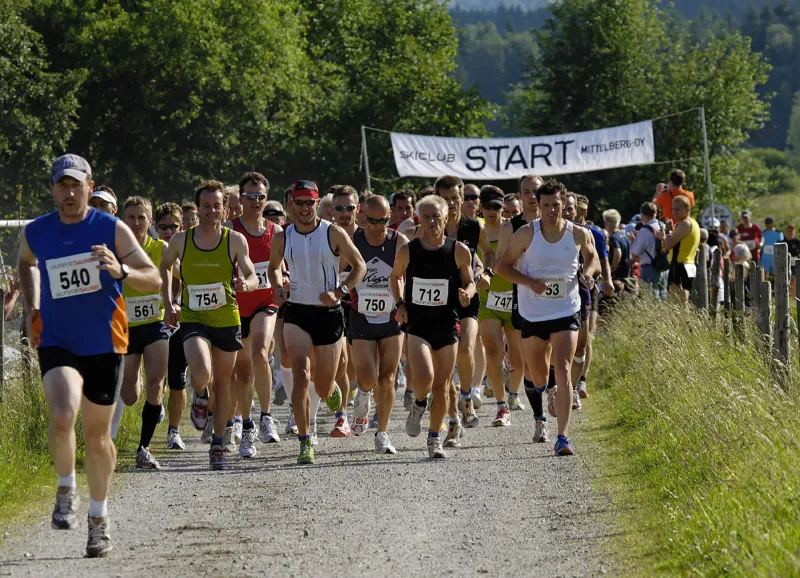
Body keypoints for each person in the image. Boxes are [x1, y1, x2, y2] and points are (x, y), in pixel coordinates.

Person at [18, 154, 161, 557]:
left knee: (97, 438)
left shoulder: (111, 229)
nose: (68, 192)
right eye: (61, 185)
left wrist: (121, 271)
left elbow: (152, 274)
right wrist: (33, 305)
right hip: (58, 339)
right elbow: (26, 264)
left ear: (88, 185)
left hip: (105, 341)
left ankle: (99, 520)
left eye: (75, 185)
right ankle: (66, 487)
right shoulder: (36, 232)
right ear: (52, 189)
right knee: (63, 413)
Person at [161, 180, 259, 470]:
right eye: (206, 206)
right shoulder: (181, 240)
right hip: (193, 317)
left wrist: (247, 283)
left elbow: (252, 273)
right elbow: (166, 266)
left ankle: (218, 444)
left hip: (226, 318)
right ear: (198, 209)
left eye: (217, 205)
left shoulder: (234, 240)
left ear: (225, 209)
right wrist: (169, 302)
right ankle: (200, 396)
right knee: (202, 373)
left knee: (222, 382)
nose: (212, 210)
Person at [497, 179, 598, 456]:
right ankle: (547, 390)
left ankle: (562, 437)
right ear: (538, 207)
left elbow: (593, 258)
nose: (552, 210)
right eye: (546, 206)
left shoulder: (578, 233)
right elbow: (502, 268)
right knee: (539, 375)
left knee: (563, 367)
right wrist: (529, 282)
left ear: (564, 204)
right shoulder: (526, 234)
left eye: (557, 205)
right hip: (533, 312)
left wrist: (587, 273)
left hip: (566, 308)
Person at [268, 180, 366, 465]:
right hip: (297, 311)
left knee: (323, 387)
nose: (304, 208)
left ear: (316, 203)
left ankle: (333, 393)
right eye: (298, 203)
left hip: (328, 315)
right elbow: (274, 268)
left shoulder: (332, 233)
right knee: (300, 374)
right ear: (291, 205)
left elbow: (359, 265)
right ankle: (305, 440)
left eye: (309, 203)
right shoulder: (282, 237)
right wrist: (278, 288)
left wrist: (340, 291)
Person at [392, 195, 475, 458]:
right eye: (425, 217)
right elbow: (395, 277)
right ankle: (418, 404)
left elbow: (470, 281)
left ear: (446, 218)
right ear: (419, 220)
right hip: (418, 325)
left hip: (446, 325)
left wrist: (468, 294)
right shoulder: (408, 250)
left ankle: (434, 439)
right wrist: (399, 305)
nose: (431, 221)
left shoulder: (458, 250)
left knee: (441, 386)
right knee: (425, 378)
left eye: (436, 216)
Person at [228, 172, 282, 457]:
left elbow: (283, 267)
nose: (256, 201)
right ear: (241, 197)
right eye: (250, 196)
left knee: (261, 353)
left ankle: (266, 417)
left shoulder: (276, 231)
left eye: (261, 196)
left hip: (265, 302)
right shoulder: (230, 229)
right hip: (236, 307)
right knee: (243, 372)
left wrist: (284, 280)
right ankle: (245, 424)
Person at [349, 196, 407, 453]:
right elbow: (339, 273)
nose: (379, 226)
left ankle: (382, 433)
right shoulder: (353, 241)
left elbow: (411, 273)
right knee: (368, 377)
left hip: (392, 317)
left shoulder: (399, 242)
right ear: (362, 217)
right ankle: (363, 395)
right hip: (361, 317)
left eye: (384, 220)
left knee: (388, 378)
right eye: (373, 221)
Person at [437, 176, 494, 433]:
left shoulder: (473, 226)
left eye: (455, 198)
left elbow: (489, 252)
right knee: (446, 361)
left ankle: (467, 395)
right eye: (445, 199)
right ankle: (451, 414)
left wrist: (486, 272)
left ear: (463, 198)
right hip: (438, 301)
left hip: (467, 294)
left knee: (467, 348)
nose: (450, 203)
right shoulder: (429, 226)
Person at [119, 197, 171, 470]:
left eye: (141, 217)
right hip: (125, 327)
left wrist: (174, 305)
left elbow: (175, 280)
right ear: (123, 220)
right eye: (131, 217)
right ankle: (141, 382)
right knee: (129, 396)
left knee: (156, 382)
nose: (136, 222)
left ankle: (144, 448)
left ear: (150, 221)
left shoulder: (161, 248)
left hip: (155, 324)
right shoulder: (116, 251)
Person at [476, 186, 523, 426]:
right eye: (488, 207)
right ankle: (501, 405)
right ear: (480, 207)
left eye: (497, 206)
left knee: (516, 356)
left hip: (514, 298)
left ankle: (514, 395)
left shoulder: (512, 229)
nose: (492, 211)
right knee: (493, 352)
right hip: (488, 300)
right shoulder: (477, 230)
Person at [153, 203, 189, 450]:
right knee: (155, 377)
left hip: (179, 322)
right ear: (155, 228)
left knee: (177, 378)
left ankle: (174, 432)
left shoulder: (191, 250)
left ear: (182, 226)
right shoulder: (150, 250)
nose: (168, 231)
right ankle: (156, 402)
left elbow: (191, 281)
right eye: (163, 227)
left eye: (173, 226)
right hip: (152, 320)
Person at [657, 195, 700, 303]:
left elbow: (668, 244)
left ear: (687, 209)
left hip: (679, 265)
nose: (674, 212)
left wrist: (667, 231)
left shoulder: (684, 223)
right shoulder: (694, 223)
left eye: (678, 209)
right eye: (673, 209)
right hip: (688, 264)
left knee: (678, 302)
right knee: (683, 300)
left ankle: (682, 320)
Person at [630, 202, 667, 299]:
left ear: (642, 214)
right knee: (664, 296)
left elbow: (635, 253)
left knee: (651, 299)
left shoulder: (644, 230)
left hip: (649, 267)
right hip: (664, 266)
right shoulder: (663, 226)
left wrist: (634, 241)